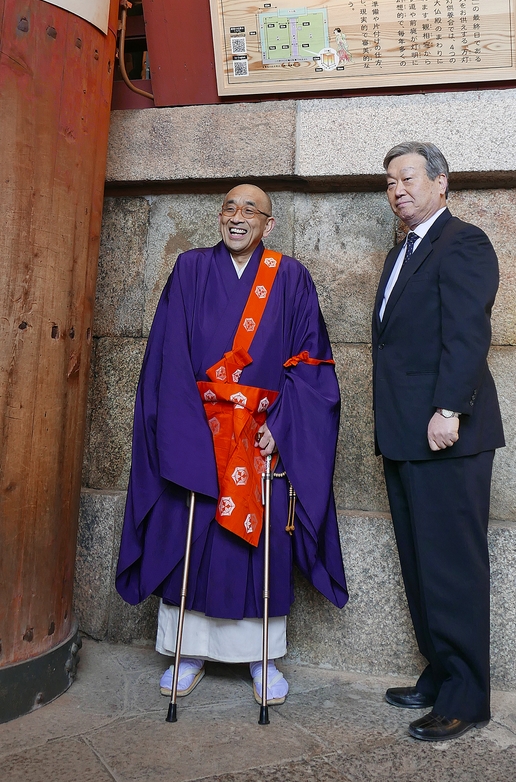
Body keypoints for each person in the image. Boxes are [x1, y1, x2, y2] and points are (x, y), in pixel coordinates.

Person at [116, 184, 348, 704]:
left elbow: (312, 362)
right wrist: (182, 427)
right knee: (190, 534)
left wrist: (283, 427)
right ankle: (187, 651)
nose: (237, 217)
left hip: (258, 436)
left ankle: (262, 659)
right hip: (198, 430)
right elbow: (166, 354)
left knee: (259, 546)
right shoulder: (191, 269)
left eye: (250, 210)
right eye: (228, 207)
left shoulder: (291, 278)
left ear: (268, 224)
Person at [372, 142, 504, 742]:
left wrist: (449, 407)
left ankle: (467, 695)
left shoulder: (464, 242)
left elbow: (468, 334)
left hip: (446, 431)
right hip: (404, 435)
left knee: (452, 567)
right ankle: (441, 670)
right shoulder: (403, 252)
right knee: (421, 564)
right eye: (390, 181)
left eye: (408, 177)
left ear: (441, 183)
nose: (397, 188)